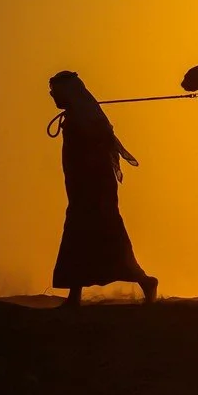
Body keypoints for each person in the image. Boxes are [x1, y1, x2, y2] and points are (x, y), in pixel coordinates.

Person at [49, 71, 158, 307]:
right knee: (79, 237)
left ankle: (144, 281)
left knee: (104, 236)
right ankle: (75, 295)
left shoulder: (86, 119)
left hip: (94, 190)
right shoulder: (80, 115)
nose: (52, 96)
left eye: (55, 92)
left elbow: (97, 151)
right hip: (81, 190)